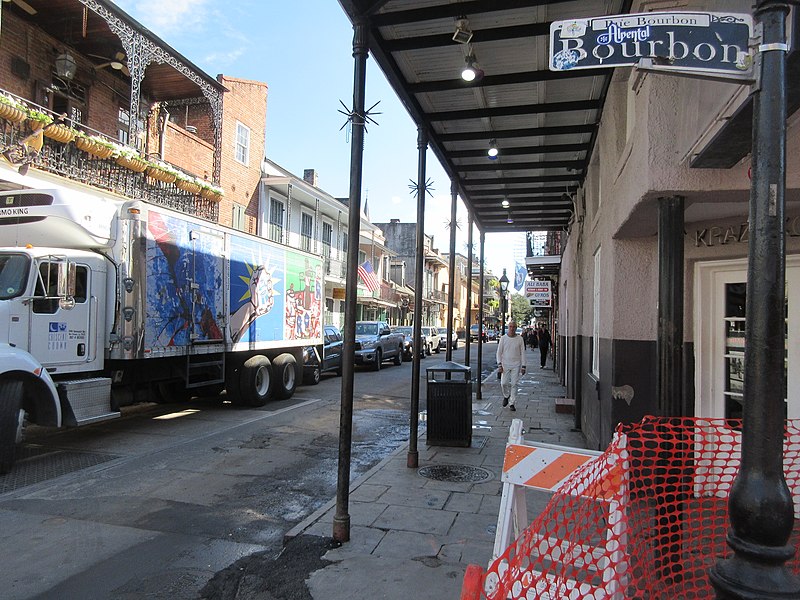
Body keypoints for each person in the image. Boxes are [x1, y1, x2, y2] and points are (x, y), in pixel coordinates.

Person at [496, 320, 526, 411]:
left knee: (514, 384)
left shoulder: (520, 339)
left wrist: (523, 366)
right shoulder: (503, 338)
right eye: (510, 327)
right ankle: (506, 395)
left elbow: (523, 353)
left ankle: (512, 403)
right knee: (503, 383)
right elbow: (499, 352)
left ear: (516, 328)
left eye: (514, 327)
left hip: (516, 364)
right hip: (505, 364)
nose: (512, 329)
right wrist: (499, 364)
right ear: (508, 327)